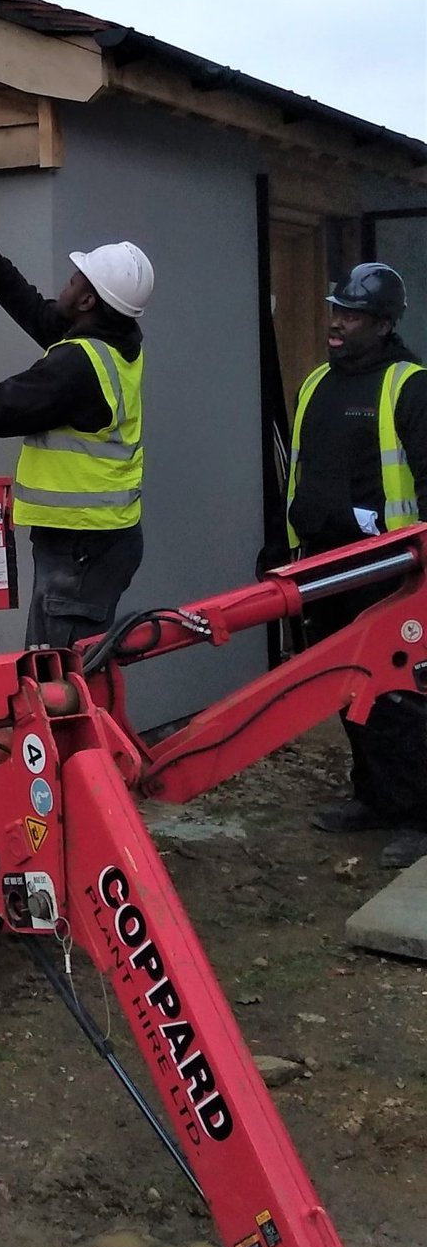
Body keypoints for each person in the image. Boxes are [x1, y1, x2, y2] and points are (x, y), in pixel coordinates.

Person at [0, 193, 153, 648]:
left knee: (58, 679)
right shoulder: (114, 339)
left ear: (87, 302)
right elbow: (34, 309)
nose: (69, 281)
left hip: (82, 548)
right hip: (94, 543)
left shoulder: (77, 367)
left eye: (78, 278)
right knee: (64, 671)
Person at [287, 261, 427, 871]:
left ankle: (421, 814)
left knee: (404, 693)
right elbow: (303, 471)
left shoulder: (409, 385)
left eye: (352, 315)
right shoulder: (317, 382)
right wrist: (288, 545)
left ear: (383, 323)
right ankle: (374, 796)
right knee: (348, 686)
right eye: (336, 310)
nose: (337, 323)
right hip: (324, 565)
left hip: (391, 570)